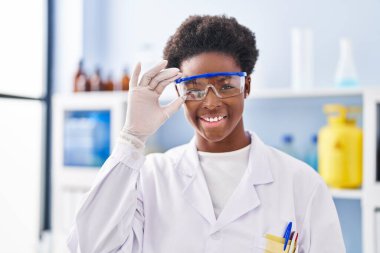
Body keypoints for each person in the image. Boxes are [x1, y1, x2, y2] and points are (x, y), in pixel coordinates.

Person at [67, 15, 345, 253]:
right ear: (179, 92)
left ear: (246, 87)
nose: (211, 102)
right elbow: (90, 245)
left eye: (226, 86)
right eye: (195, 88)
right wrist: (132, 139)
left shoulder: (300, 182)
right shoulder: (152, 176)